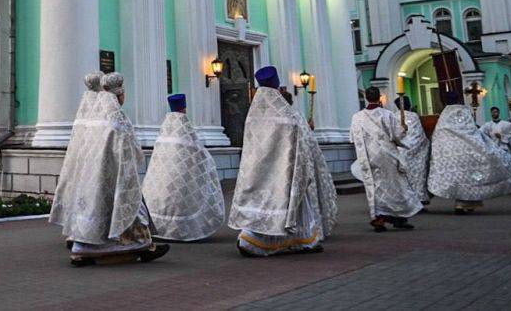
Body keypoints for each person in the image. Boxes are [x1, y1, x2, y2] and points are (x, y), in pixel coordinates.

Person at [51, 72, 169, 266]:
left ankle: (83, 246)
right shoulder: (117, 118)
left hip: (92, 174)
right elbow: (131, 148)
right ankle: (140, 245)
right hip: (115, 174)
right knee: (126, 207)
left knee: (94, 207)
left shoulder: (92, 117)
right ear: (119, 95)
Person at [229, 66, 338, 257]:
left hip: (258, 173)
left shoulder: (253, 117)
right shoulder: (290, 117)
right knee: (291, 209)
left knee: (263, 207)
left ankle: (250, 240)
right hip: (286, 174)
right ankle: (303, 242)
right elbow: (303, 146)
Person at [142, 93, 224, 242]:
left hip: (164, 176)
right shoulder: (185, 126)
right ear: (184, 109)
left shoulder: (165, 128)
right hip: (183, 176)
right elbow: (196, 150)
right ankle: (180, 229)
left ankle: (158, 227)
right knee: (182, 199)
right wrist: (207, 159)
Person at [429, 93, 511, 214]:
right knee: (470, 177)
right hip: (469, 149)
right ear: (458, 99)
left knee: (458, 177)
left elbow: (440, 133)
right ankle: (464, 203)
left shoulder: (445, 114)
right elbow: (472, 130)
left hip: (452, 152)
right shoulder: (465, 111)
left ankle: (462, 204)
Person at [350, 87, 421, 232]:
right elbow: (397, 136)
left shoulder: (357, 117)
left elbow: (353, 138)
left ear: (366, 97)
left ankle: (379, 219)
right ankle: (398, 218)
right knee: (395, 187)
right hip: (387, 157)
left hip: (368, 157)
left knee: (375, 188)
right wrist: (403, 129)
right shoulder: (387, 115)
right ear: (379, 98)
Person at [393, 95, 430, 205]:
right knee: (416, 175)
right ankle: (418, 198)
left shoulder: (393, 116)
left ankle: (403, 199)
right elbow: (419, 135)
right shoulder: (414, 116)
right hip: (415, 151)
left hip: (398, 151)